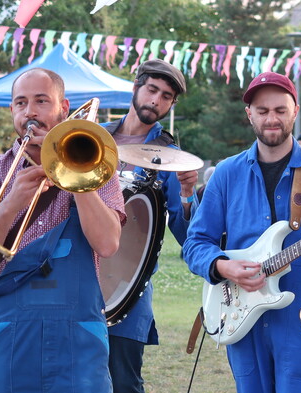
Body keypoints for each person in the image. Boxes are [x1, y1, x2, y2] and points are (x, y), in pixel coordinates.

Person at [184, 71, 301, 393]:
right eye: (262, 111)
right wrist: (222, 266)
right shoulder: (226, 173)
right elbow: (195, 243)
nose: (271, 118)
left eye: (280, 110)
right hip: (241, 318)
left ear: (295, 111)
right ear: (249, 115)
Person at [0, 68, 125, 391]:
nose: (30, 112)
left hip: (78, 339)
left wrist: (77, 177)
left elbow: (108, 244)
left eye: (41, 101)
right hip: (7, 334)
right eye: (21, 103)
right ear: (12, 111)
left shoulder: (99, 168)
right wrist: (11, 204)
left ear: (63, 108)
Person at [101, 59, 199, 393]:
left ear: (172, 104)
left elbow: (189, 235)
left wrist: (187, 193)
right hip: (78, 279)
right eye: (152, 89)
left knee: (125, 383)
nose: (156, 100)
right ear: (136, 86)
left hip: (127, 289)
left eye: (166, 96)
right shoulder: (95, 136)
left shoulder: (171, 157)